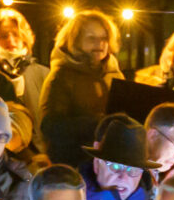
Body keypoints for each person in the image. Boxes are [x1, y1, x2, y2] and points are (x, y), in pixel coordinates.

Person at [37, 9, 121, 165]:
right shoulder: (62, 76)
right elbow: (50, 126)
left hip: (108, 163)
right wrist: (96, 123)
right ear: (74, 40)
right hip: (74, 164)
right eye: (91, 38)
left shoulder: (113, 73)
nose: (100, 43)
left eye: (104, 38)